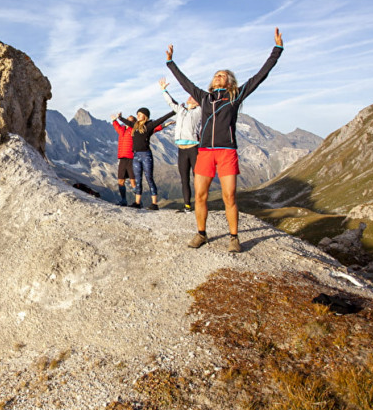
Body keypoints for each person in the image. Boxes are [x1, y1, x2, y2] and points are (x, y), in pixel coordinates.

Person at [165, 28, 283, 252]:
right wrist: (171, 62)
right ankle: (201, 233)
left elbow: (260, 76)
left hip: (227, 151)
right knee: (200, 195)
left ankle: (234, 237)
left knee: (229, 196)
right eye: (216, 75)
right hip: (206, 152)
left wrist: (276, 50)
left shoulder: (235, 95)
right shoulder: (204, 97)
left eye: (222, 75)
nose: (218, 76)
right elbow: (184, 82)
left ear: (229, 82)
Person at [119, 107, 174, 210]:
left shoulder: (149, 125)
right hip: (136, 156)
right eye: (137, 114)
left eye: (140, 114)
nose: (138, 116)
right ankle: (137, 202)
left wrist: (173, 112)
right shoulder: (134, 126)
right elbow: (127, 122)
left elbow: (161, 119)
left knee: (149, 178)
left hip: (146, 155)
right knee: (138, 180)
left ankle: (154, 204)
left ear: (145, 116)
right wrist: (119, 117)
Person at [160, 77, 201, 213]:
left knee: (198, 179)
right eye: (189, 96)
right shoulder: (181, 110)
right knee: (184, 179)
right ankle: (187, 206)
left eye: (193, 97)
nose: (190, 98)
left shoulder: (199, 111)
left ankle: (200, 204)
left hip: (194, 148)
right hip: (181, 150)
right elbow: (171, 103)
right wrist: (164, 90)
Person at [110, 113, 137, 206]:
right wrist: (114, 120)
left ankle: (138, 201)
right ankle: (123, 200)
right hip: (122, 158)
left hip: (131, 158)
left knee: (132, 181)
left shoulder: (134, 130)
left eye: (130, 120)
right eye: (127, 119)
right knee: (121, 180)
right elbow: (117, 127)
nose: (128, 121)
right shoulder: (122, 130)